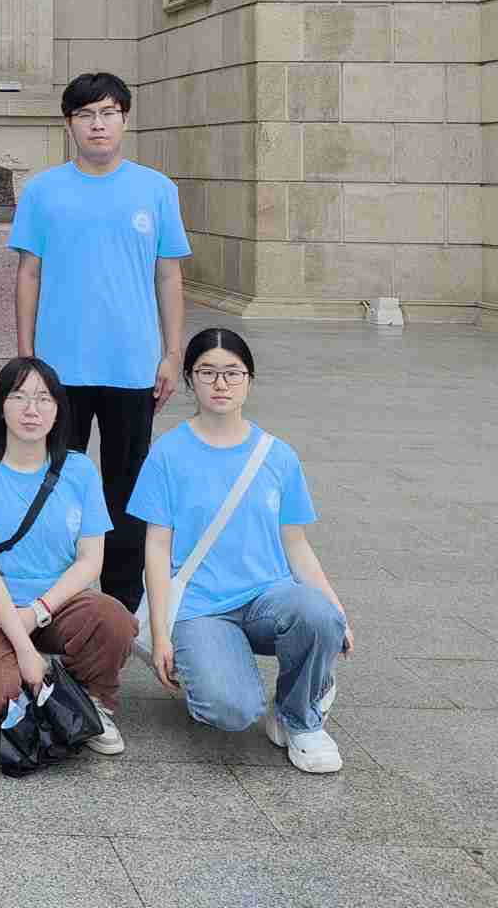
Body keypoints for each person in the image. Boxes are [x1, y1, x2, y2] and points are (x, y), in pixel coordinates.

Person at [129, 327, 354, 775]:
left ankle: (299, 716)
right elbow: (156, 547)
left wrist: (336, 611)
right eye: (207, 372)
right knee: (230, 710)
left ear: (249, 379)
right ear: (190, 380)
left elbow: (296, 544)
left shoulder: (278, 456)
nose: (221, 383)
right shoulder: (168, 454)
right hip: (201, 607)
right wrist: (159, 633)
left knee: (319, 615)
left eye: (233, 372)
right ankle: (218, 663)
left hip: (269, 598)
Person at [10, 71, 189, 611]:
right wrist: (27, 356)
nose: (97, 124)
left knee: (126, 486)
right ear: (69, 124)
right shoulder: (43, 191)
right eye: (85, 114)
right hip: (59, 369)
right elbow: (29, 273)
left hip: (132, 365)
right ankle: (52, 596)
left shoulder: (156, 190)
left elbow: (168, 276)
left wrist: (172, 353)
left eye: (108, 113)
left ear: (124, 120)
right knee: (53, 481)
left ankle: (121, 603)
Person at [0, 356, 131, 755]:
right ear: (0, 406)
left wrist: (37, 612)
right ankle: (12, 682)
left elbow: (90, 561)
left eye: (44, 398)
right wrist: (26, 650)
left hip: (55, 605)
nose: (32, 409)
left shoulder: (79, 470)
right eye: (19, 397)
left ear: (58, 409)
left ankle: (89, 699)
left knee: (114, 620)